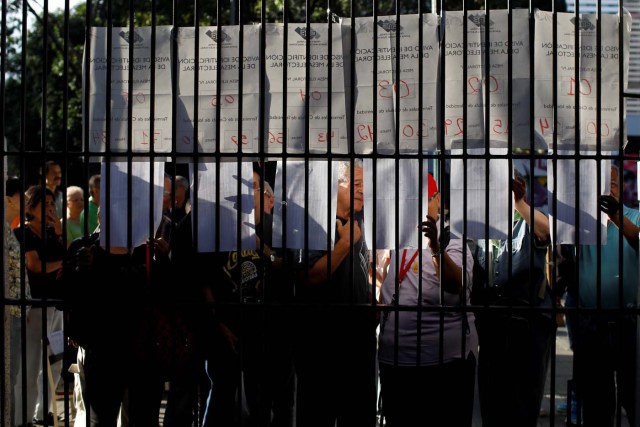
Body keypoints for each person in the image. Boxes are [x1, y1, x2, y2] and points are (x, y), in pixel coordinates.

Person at [377, 172, 477, 427]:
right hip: (396, 367)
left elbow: (456, 285)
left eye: (426, 198)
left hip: (442, 370)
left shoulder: (452, 240)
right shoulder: (394, 238)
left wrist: (434, 247)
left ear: (438, 200)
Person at [293, 159, 377, 427]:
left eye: (365, 185)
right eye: (356, 184)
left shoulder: (361, 223)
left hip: (358, 344)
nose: (363, 191)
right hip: (323, 348)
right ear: (335, 186)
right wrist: (343, 244)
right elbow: (308, 277)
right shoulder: (316, 222)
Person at [474, 173, 555, 427]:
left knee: (522, 407)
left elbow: (547, 231)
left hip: (527, 326)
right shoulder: (482, 223)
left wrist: (519, 203)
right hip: (492, 325)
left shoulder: (528, 218)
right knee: (492, 404)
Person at [565, 164, 639, 427]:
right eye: (601, 185)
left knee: (635, 398)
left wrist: (617, 217)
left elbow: (638, 239)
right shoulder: (582, 223)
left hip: (629, 324)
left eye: (613, 184)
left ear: (621, 188)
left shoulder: (635, 216)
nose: (608, 189)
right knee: (597, 407)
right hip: (591, 325)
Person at [13, 185, 66, 427]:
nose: (50, 209)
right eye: (44, 204)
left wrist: (59, 232)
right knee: (31, 365)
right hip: (34, 307)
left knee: (55, 361)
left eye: (52, 204)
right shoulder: (22, 234)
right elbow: (36, 266)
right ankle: (22, 417)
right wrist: (63, 262)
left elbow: (62, 259)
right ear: (30, 208)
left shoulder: (51, 232)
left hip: (56, 307)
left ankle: (43, 411)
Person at [4, 177, 32, 427]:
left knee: (10, 377)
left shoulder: (8, 229)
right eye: (21, 195)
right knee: (7, 377)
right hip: (9, 311)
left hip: (15, 310)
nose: (25, 200)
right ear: (8, 199)